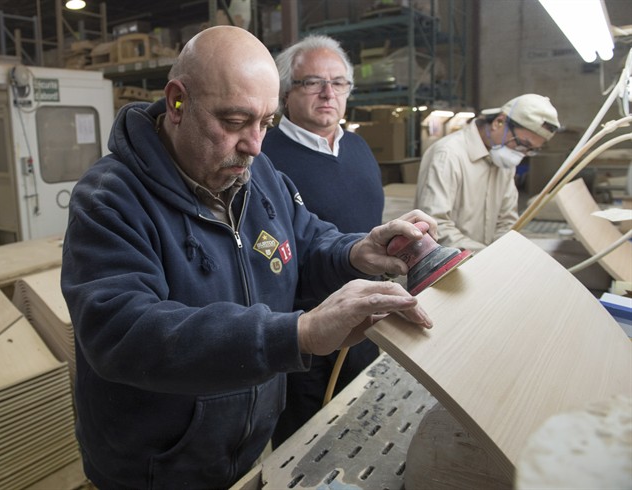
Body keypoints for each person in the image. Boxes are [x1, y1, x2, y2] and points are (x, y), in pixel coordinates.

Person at [61, 25, 435, 490]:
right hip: (157, 467)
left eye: (266, 123)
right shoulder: (111, 198)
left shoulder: (258, 177)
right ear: (177, 102)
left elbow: (303, 240)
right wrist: (295, 334)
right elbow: (122, 331)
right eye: (235, 122)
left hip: (245, 447)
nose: (255, 145)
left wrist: (356, 251)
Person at [261, 35, 385, 448]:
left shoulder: (359, 148)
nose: (328, 93)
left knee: (363, 431)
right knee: (305, 447)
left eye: (339, 82)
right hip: (303, 339)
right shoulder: (263, 159)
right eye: (312, 82)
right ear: (286, 93)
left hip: (364, 328)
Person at [415, 93, 560, 251]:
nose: (522, 153)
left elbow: (506, 222)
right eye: (522, 144)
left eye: (531, 149)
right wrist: (485, 256)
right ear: (499, 122)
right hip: (447, 267)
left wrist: (506, 253)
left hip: (482, 263)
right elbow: (435, 225)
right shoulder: (449, 154)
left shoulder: (504, 160)